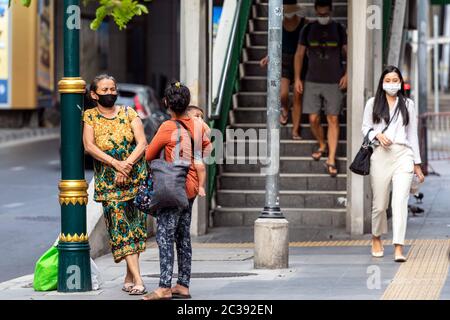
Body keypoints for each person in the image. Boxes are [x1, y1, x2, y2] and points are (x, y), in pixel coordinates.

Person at [143, 82, 211, 300]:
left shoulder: (167, 127)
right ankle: (183, 284)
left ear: (166, 103)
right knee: (183, 236)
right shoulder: (199, 125)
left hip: (173, 186)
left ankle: (164, 287)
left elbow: (149, 155)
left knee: (165, 235)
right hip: (191, 187)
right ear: (187, 102)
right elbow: (208, 150)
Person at [82, 74, 149, 295]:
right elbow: (90, 146)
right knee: (121, 229)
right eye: (105, 90)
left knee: (136, 228)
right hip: (109, 184)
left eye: (113, 89)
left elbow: (142, 143)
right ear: (94, 94)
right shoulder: (90, 116)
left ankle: (129, 276)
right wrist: (115, 164)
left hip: (134, 178)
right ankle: (139, 279)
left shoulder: (129, 113)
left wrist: (126, 165)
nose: (110, 93)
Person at [362, 66, 425, 263]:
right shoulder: (373, 103)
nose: (391, 83)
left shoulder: (408, 104)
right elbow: (366, 127)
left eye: (395, 80)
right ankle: (376, 237)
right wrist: (377, 135)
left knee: (399, 203)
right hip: (380, 155)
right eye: (388, 80)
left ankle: (399, 247)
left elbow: (412, 134)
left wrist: (417, 164)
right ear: (382, 82)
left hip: (403, 155)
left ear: (400, 82)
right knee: (380, 205)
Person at [294, 0, 348, 177]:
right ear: (316, 12)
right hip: (312, 80)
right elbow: (300, 54)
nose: (323, 17)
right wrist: (297, 78)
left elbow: (349, 53)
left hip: (334, 81)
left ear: (331, 12)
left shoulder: (339, 29)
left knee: (333, 118)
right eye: (320, 14)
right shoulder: (308, 30)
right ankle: (322, 144)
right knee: (313, 119)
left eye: (325, 14)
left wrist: (347, 74)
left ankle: (331, 159)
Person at [260, 0, 308, 140]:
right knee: (283, 94)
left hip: (301, 62)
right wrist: (268, 57)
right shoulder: (278, 23)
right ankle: (286, 108)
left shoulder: (305, 23)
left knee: (298, 97)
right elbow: (275, 43)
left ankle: (295, 130)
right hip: (284, 62)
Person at [186, 105, 211, 197]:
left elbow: (209, 133)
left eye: (202, 117)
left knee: (200, 167)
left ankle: (201, 186)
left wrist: (201, 123)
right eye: (197, 116)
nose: (200, 119)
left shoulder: (199, 128)